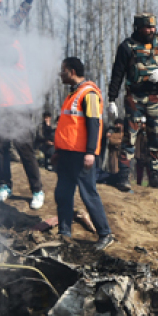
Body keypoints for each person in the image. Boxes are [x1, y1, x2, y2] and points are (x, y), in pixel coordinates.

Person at [106, 13, 158, 190]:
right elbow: (117, 73)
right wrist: (111, 99)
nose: (151, 30)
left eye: (153, 27)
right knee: (130, 137)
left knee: (155, 137)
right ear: (138, 28)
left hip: (156, 97)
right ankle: (124, 175)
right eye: (147, 27)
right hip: (135, 97)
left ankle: (156, 176)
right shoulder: (127, 46)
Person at [53, 57, 113, 251]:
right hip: (66, 154)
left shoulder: (89, 94)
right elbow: (68, 126)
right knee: (63, 193)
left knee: (88, 194)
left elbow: (94, 124)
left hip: (81, 155)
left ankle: (105, 234)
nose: (60, 74)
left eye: (63, 70)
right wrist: (58, 151)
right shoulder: (72, 94)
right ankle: (64, 233)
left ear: (71, 71)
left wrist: (90, 152)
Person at [0, 34, 46, 209]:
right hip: (0, 105)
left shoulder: (14, 47)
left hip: (19, 104)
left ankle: (37, 190)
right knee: (0, 148)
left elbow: (2, 58)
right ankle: (4, 185)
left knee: (25, 149)